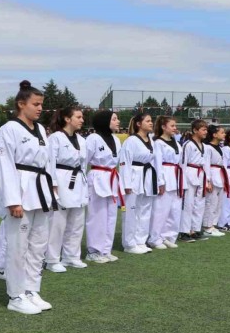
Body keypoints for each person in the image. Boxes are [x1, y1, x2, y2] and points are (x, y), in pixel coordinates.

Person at [0, 82, 56, 315]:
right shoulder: (9, 129)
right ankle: (16, 295)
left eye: (41, 104)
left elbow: (47, 161)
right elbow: (4, 165)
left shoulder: (40, 129)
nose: (40, 108)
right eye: (35, 104)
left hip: (40, 190)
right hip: (20, 190)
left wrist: (52, 190)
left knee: (38, 245)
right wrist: (13, 200)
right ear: (21, 104)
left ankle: (31, 290)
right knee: (18, 246)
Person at [45, 107, 89, 272]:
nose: (82, 120)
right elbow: (50, 161)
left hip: (78, 181)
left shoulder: (82, 140)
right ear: (67, 119)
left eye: (82, 117)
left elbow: (84, 164)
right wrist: (53, 183)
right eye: (78, 117)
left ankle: (71, 257)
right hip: (61, 179)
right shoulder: (55, 138)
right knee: (57, 223)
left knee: (77, 222)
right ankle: (52, 259)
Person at [84, 110, 123, 264]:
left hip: (112, 177)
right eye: (114, 119)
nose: (118, 121)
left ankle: (106, 249)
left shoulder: (116, 139)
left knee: (111, 215)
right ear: (104, 121)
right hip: (98, 176)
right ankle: (93, 251)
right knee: (97, 215)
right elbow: (84, 160)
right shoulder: (93, 138)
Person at [120, 113, 157, 254]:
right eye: (148, 121)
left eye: (151, 120)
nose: (151, 123)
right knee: (131, 210)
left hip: (147, 175)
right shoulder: (131, 140)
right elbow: (125, 162)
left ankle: (140, 241)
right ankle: (129, 244)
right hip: (134, 175)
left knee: (145, 209)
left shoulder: (151, 140)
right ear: (138, 124)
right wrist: (126, 184)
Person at [149, 116, 183, 248]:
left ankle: (168, 236)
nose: (175, 128)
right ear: (163, 127)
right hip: (165, 174)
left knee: (174, 209)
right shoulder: (158, 143)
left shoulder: (176, 143)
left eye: (175, 126)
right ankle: (155, 238)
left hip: (176, 176)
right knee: (160, 210)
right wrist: (160, 182)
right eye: (172, 126)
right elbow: (157, 163)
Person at [179, 120, 211, 242]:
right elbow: (182, 163)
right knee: (188, 204)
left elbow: (207, 164)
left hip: (201, 175)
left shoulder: (205, 147)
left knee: (199, 204)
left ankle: (195, 229)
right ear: (195, 130)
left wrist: (208, 180)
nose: (206, 132)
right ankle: (184, 231)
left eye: (206, 130)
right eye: (203, 130)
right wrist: (182, 180)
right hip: (190, 174)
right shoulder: (188, 145)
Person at [202, 124, 227, 237]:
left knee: (218, 202)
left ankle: (213, 224)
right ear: (214, 134)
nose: (224, 134)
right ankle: (207, 226)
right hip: (212, 174)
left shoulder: (220, 148)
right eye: (222, 132)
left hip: (220, 175)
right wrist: (208, 180)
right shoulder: (208, 147)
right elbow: (206, 164)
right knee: (211, 202)